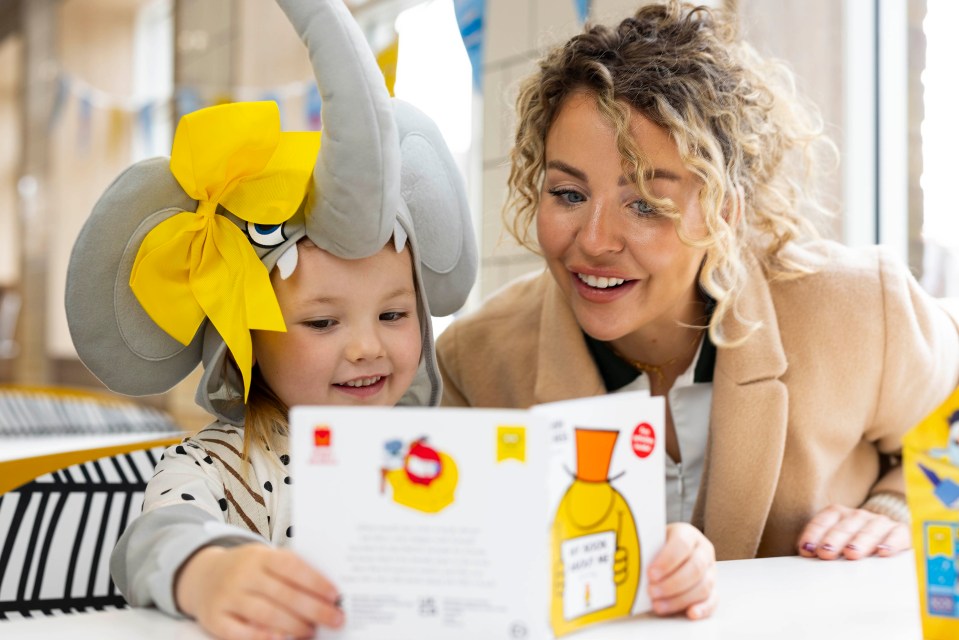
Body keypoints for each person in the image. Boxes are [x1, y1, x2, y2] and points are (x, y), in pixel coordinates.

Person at [436, 0, 959, 622]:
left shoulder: (857, 309)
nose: (596, 240)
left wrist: (900, 509)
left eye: (647, 204)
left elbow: (950, 427)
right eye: (569, 194)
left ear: (725, 211)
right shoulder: (475, 366)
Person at [64, 1, 476, 638]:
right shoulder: (220, 471)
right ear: (245, 342)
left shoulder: (440, 451)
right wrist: (208, 572)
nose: (368, 346)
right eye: (321, 323)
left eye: (394, 313)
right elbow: (153, 541)